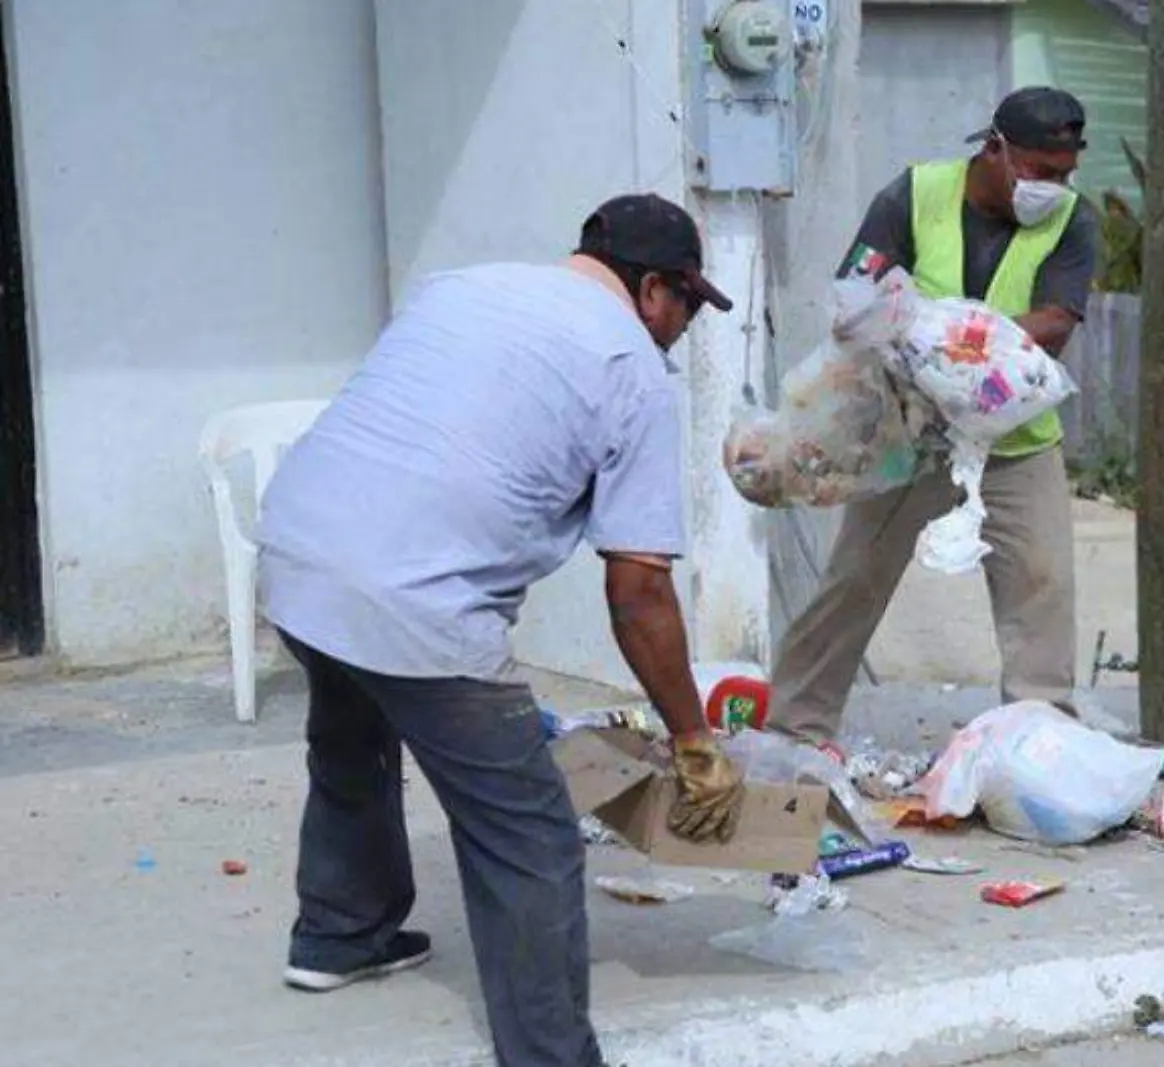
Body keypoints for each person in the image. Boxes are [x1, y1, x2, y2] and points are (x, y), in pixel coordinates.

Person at [256, 194, 745, 1067]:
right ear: (653, 289)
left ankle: (340, 932)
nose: (681, 330)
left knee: (350, 738)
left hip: (297, 551)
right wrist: (691, 737)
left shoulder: (462, 287)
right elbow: (639, 592)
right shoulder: (630, 365)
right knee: (527, 835)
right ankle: (552, 1054)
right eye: (685, 307)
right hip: (418, 596)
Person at [770, 87, 1100, 749]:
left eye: (1064, 174)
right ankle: (792, 728)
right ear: (995, 148)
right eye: (1039, 170)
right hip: (910, 429)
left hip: (1015, 440)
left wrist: (948, 336)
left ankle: (1040, 746)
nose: (1052, 187)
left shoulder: (1073, 221)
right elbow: (858, 291)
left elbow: (1056, 322)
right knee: (855, 576)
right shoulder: (915, 194)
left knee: (1042, 588)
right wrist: (946, 341)